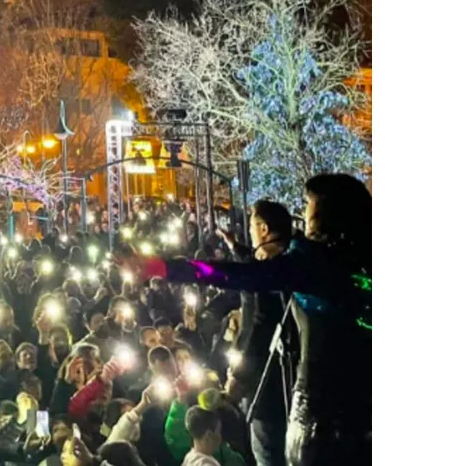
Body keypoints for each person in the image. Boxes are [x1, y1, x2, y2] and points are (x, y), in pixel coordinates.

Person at [129, 174, 372, 466]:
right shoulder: (359, 261)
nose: (304, 215)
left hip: (321, 415)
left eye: (309, 205)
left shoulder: (315, 263)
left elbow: (242, 276)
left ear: (328, 214)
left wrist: (165, 267)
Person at [222, 200, 294, 466]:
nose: (249, 232)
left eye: (252, 226)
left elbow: (262, 326)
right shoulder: (288, 262)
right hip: (289, 385)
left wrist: (239, 377)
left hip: (267, 386)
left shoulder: (267, 271)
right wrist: (235, 247)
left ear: (263, 229)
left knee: (268, 453)